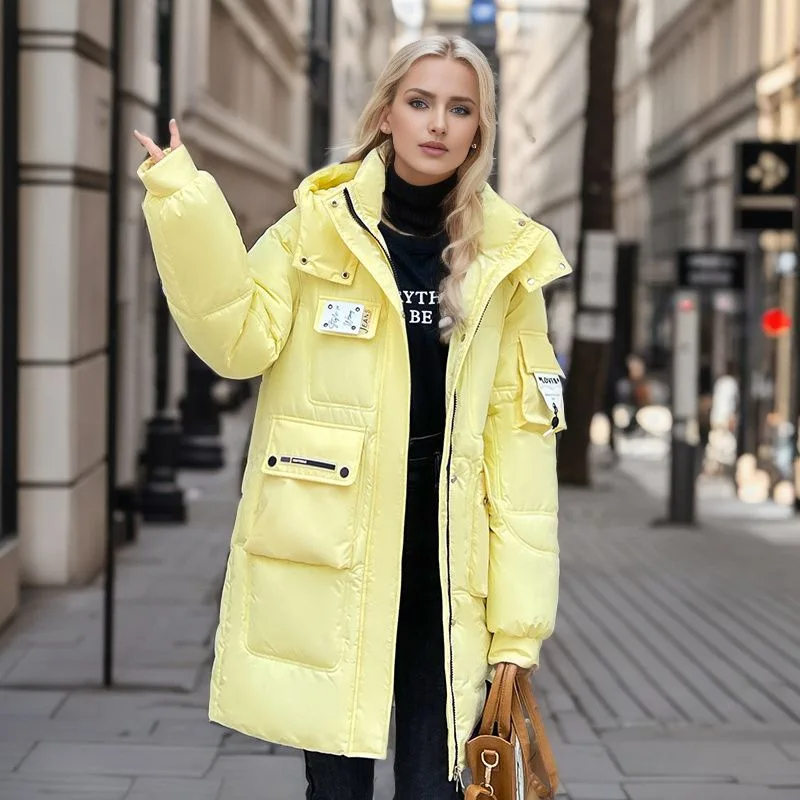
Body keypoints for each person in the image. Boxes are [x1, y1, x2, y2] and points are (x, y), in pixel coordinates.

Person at [134, 35, 570, 800]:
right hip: (333, 544)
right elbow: (238, 340)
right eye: (420, 102)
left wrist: (519, 629)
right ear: (387, 115)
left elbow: (524, 451)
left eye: (460, 108)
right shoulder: (317, 226)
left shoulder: (510, 258)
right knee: (335, 787)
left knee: (437, 785)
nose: (438, 123)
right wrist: (183, 204)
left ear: (479, 130)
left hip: (448, 555)